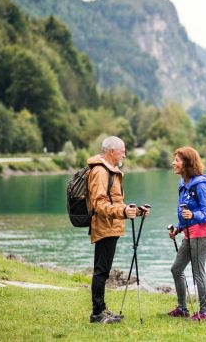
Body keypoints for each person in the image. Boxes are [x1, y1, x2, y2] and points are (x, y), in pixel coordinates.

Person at [87, 135, 148, 324]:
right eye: (122, 150)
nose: (125, 154)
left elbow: (115, 203)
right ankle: (97, 314)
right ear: (111, 151)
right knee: (101, 271)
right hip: (104, 226)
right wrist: (122, 211)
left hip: (111, 226)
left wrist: (135, 212)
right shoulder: (100, 172)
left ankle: (101, 309)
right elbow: (99, 204)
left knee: (103, 270)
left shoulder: (110, 170)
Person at [168, 146, 206, 321]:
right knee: (176, 269)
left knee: (198, 272)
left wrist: (194, 215)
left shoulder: (200, 185)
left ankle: (204, 312)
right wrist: (178, 228)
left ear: (187, 163)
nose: (173, 163)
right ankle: (182, 308)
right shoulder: (184, 184)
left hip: (201, 234)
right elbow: (185, 212)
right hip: (188, 232)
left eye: (177, 160)